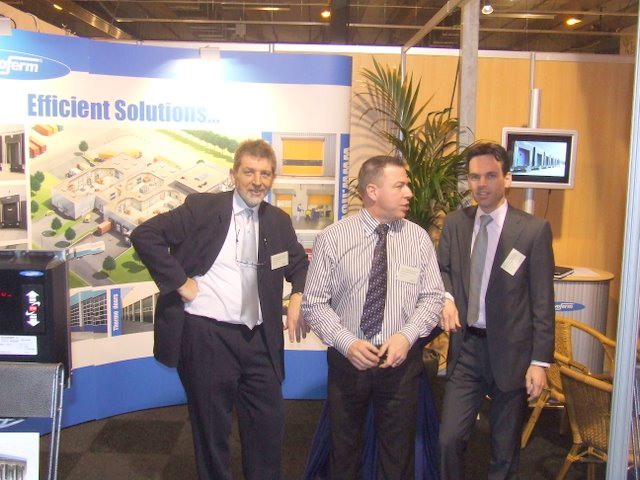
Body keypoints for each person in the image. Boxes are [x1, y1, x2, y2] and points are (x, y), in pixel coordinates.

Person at [130, 139, 309, 480]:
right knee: (212, 434)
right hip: (208, 337)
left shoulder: (278, 221)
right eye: (249, 172)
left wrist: (298, 294)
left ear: (273, 178)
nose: (257, 181)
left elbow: (299, 264)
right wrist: (179, 281)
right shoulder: (203, 208)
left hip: (260, 340)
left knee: (268, 429)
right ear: (233, 174)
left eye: (265, 174)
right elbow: (145, 235)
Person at [302, 155, 444, 479]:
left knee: (398, 455)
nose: (409, 193)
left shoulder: (418, 239)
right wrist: (347, 343)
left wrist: (406, 336)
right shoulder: (333, 238)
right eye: (400, 185)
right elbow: (314, 303)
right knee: (344, 452)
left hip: (400, 364)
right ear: (373, 191)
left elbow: (433, 297)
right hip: (348, 362)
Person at [437, 141, 555, 479]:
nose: (481, 184)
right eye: (475, 177)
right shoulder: (456, 223)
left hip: (512, 353)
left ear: (508, 178)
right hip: (467, 348)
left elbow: (543, 301)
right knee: (449, 439)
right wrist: (446, 296)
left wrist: (540, 362)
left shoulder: (532, 230)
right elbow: (442, 269)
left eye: (490, 175)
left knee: (504, 449)